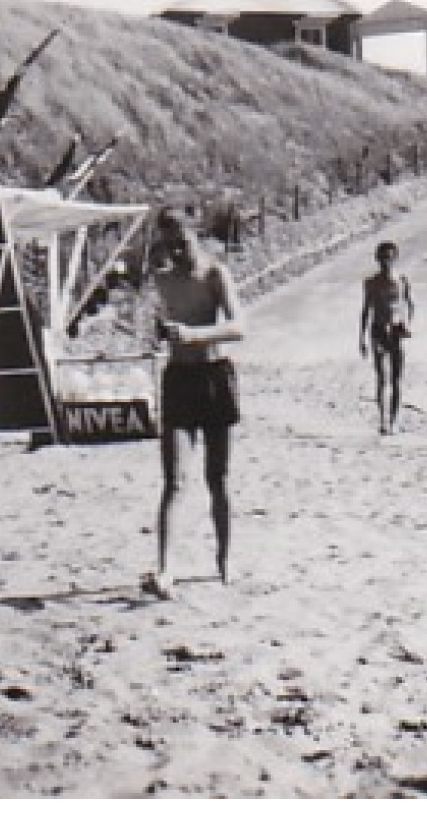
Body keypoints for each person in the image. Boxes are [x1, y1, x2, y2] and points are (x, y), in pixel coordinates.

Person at [146, 208, 245, 599]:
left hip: (213, 376)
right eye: (170, 245)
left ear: (195, 235)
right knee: (174, 479)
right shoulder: (164, 279)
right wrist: (167, 333)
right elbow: (168, 324)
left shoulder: (215, 273)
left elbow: (238, 327)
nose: (178, 252)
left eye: (183, 243)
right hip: (179, 378)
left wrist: (195, 334)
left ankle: (224, 557)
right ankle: (165, 569)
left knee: (217, 478)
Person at [358, 241, 415, 435]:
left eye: (389, 258)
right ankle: (383, 421)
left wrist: (408, 323)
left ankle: (395, 419)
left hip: (397, 331)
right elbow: (366, 310)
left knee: (398, 378)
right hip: (378, 330)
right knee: (382, 377)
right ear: (377, 259)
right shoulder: (371, 283)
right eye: (382, 258)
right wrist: (362, 338)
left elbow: (409, 304)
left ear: (395, 259)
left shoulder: (402, 280)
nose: (386, 262)